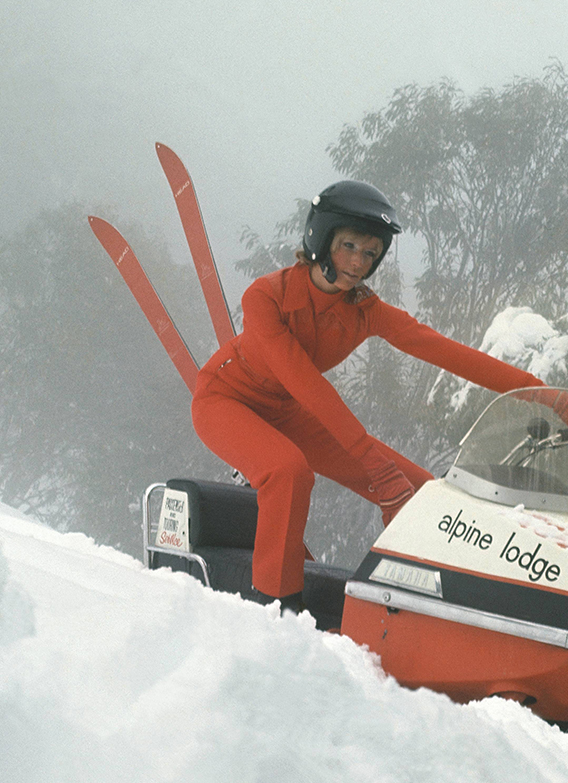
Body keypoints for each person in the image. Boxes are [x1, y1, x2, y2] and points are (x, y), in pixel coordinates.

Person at [190, 180, 549, 609]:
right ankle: (275, 609)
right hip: (225, 400)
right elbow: (305, 381)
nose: (359, 263)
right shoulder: (266, 297)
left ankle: (450, 609)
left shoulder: (362, 311)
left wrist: (539, 393)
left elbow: (442, 350)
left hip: (288, 410)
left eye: (370, 253)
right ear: (321, 239)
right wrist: (375, 468)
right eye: (349, 246)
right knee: (289, 471)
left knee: (423, 493)